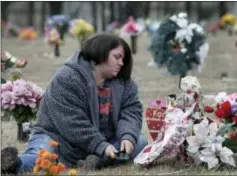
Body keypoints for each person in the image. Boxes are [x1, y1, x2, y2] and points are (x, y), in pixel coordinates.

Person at [1, 34, 148, 174]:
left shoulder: (125, 84)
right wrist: (101, 146)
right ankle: (14, 164)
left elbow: (131, 111)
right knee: (41, 158)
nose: (121, 63)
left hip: (104, 143)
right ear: (101, 53)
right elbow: (71, 122)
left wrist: (128, 137)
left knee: (139, 142)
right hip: (57, 138)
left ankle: (96, 161)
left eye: (123, 59)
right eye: (117, 57)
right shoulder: (67, 78)